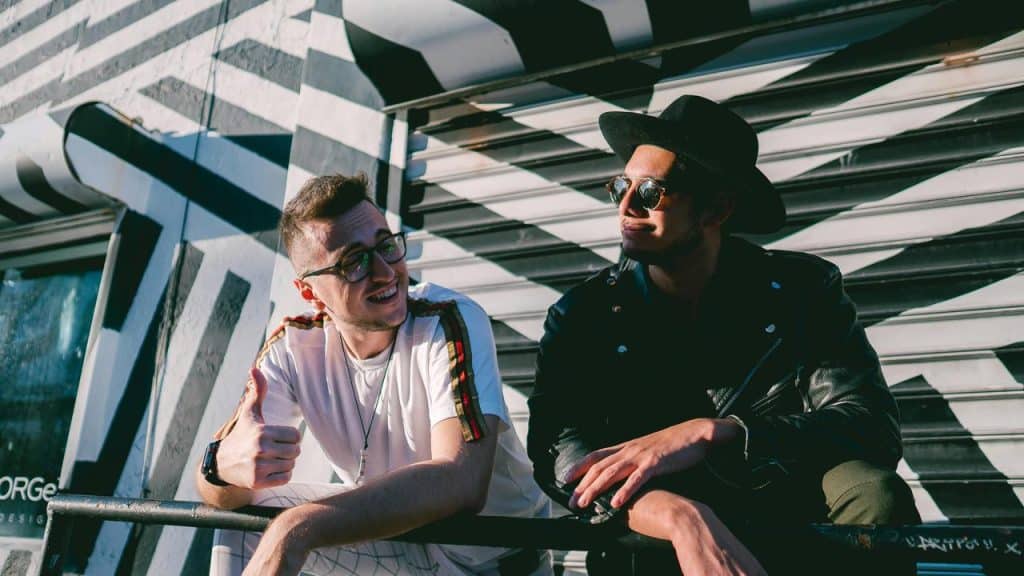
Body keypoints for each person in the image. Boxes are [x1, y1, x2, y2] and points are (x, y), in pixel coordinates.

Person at [526, 95, 920, 575]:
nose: (626, 207)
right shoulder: (583, 316)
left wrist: (715, 434)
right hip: (652, 530)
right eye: (619, 187)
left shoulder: (800, 291)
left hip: (780, 503)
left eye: (650, 192)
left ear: (716, 209)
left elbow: (870, 424)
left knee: (873, 490)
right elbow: (560, 456)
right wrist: (680, 517)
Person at [196, 173, 551, 576]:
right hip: (400, 545)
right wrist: (221, 467)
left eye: (386, 246)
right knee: (239, 522)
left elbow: (463, 480)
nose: (385, 272)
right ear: (310, 293)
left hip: (494, 561)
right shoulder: (293, 347)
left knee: (284, 527)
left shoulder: (447, 320)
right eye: (354, 262)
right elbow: (213, 491)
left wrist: (296, 528)